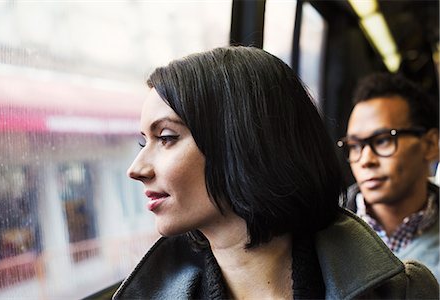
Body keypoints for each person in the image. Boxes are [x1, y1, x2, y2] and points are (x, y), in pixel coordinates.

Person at [114, 47, 438, 299]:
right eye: (143, 142)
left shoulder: (406, 292)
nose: (136, 169)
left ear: (247, 144)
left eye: (167, 138)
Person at [338, 72, 440, 282]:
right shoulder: (322, 234)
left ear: (430, 145)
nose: (366, 160)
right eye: (355, 146)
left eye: (383, 140)